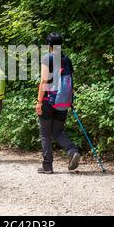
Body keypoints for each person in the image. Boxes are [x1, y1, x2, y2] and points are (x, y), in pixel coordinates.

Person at [35, 32, 81, 174]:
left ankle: (47, 166)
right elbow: (71, 82)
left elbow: (43, 81)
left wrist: (38, 102)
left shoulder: (47, 58)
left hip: (49, 101)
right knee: (58, 131)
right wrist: (70, 100)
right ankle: (72, 151)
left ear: (49, 45)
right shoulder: (66, 59)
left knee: (45, 134)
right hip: (63, 101)